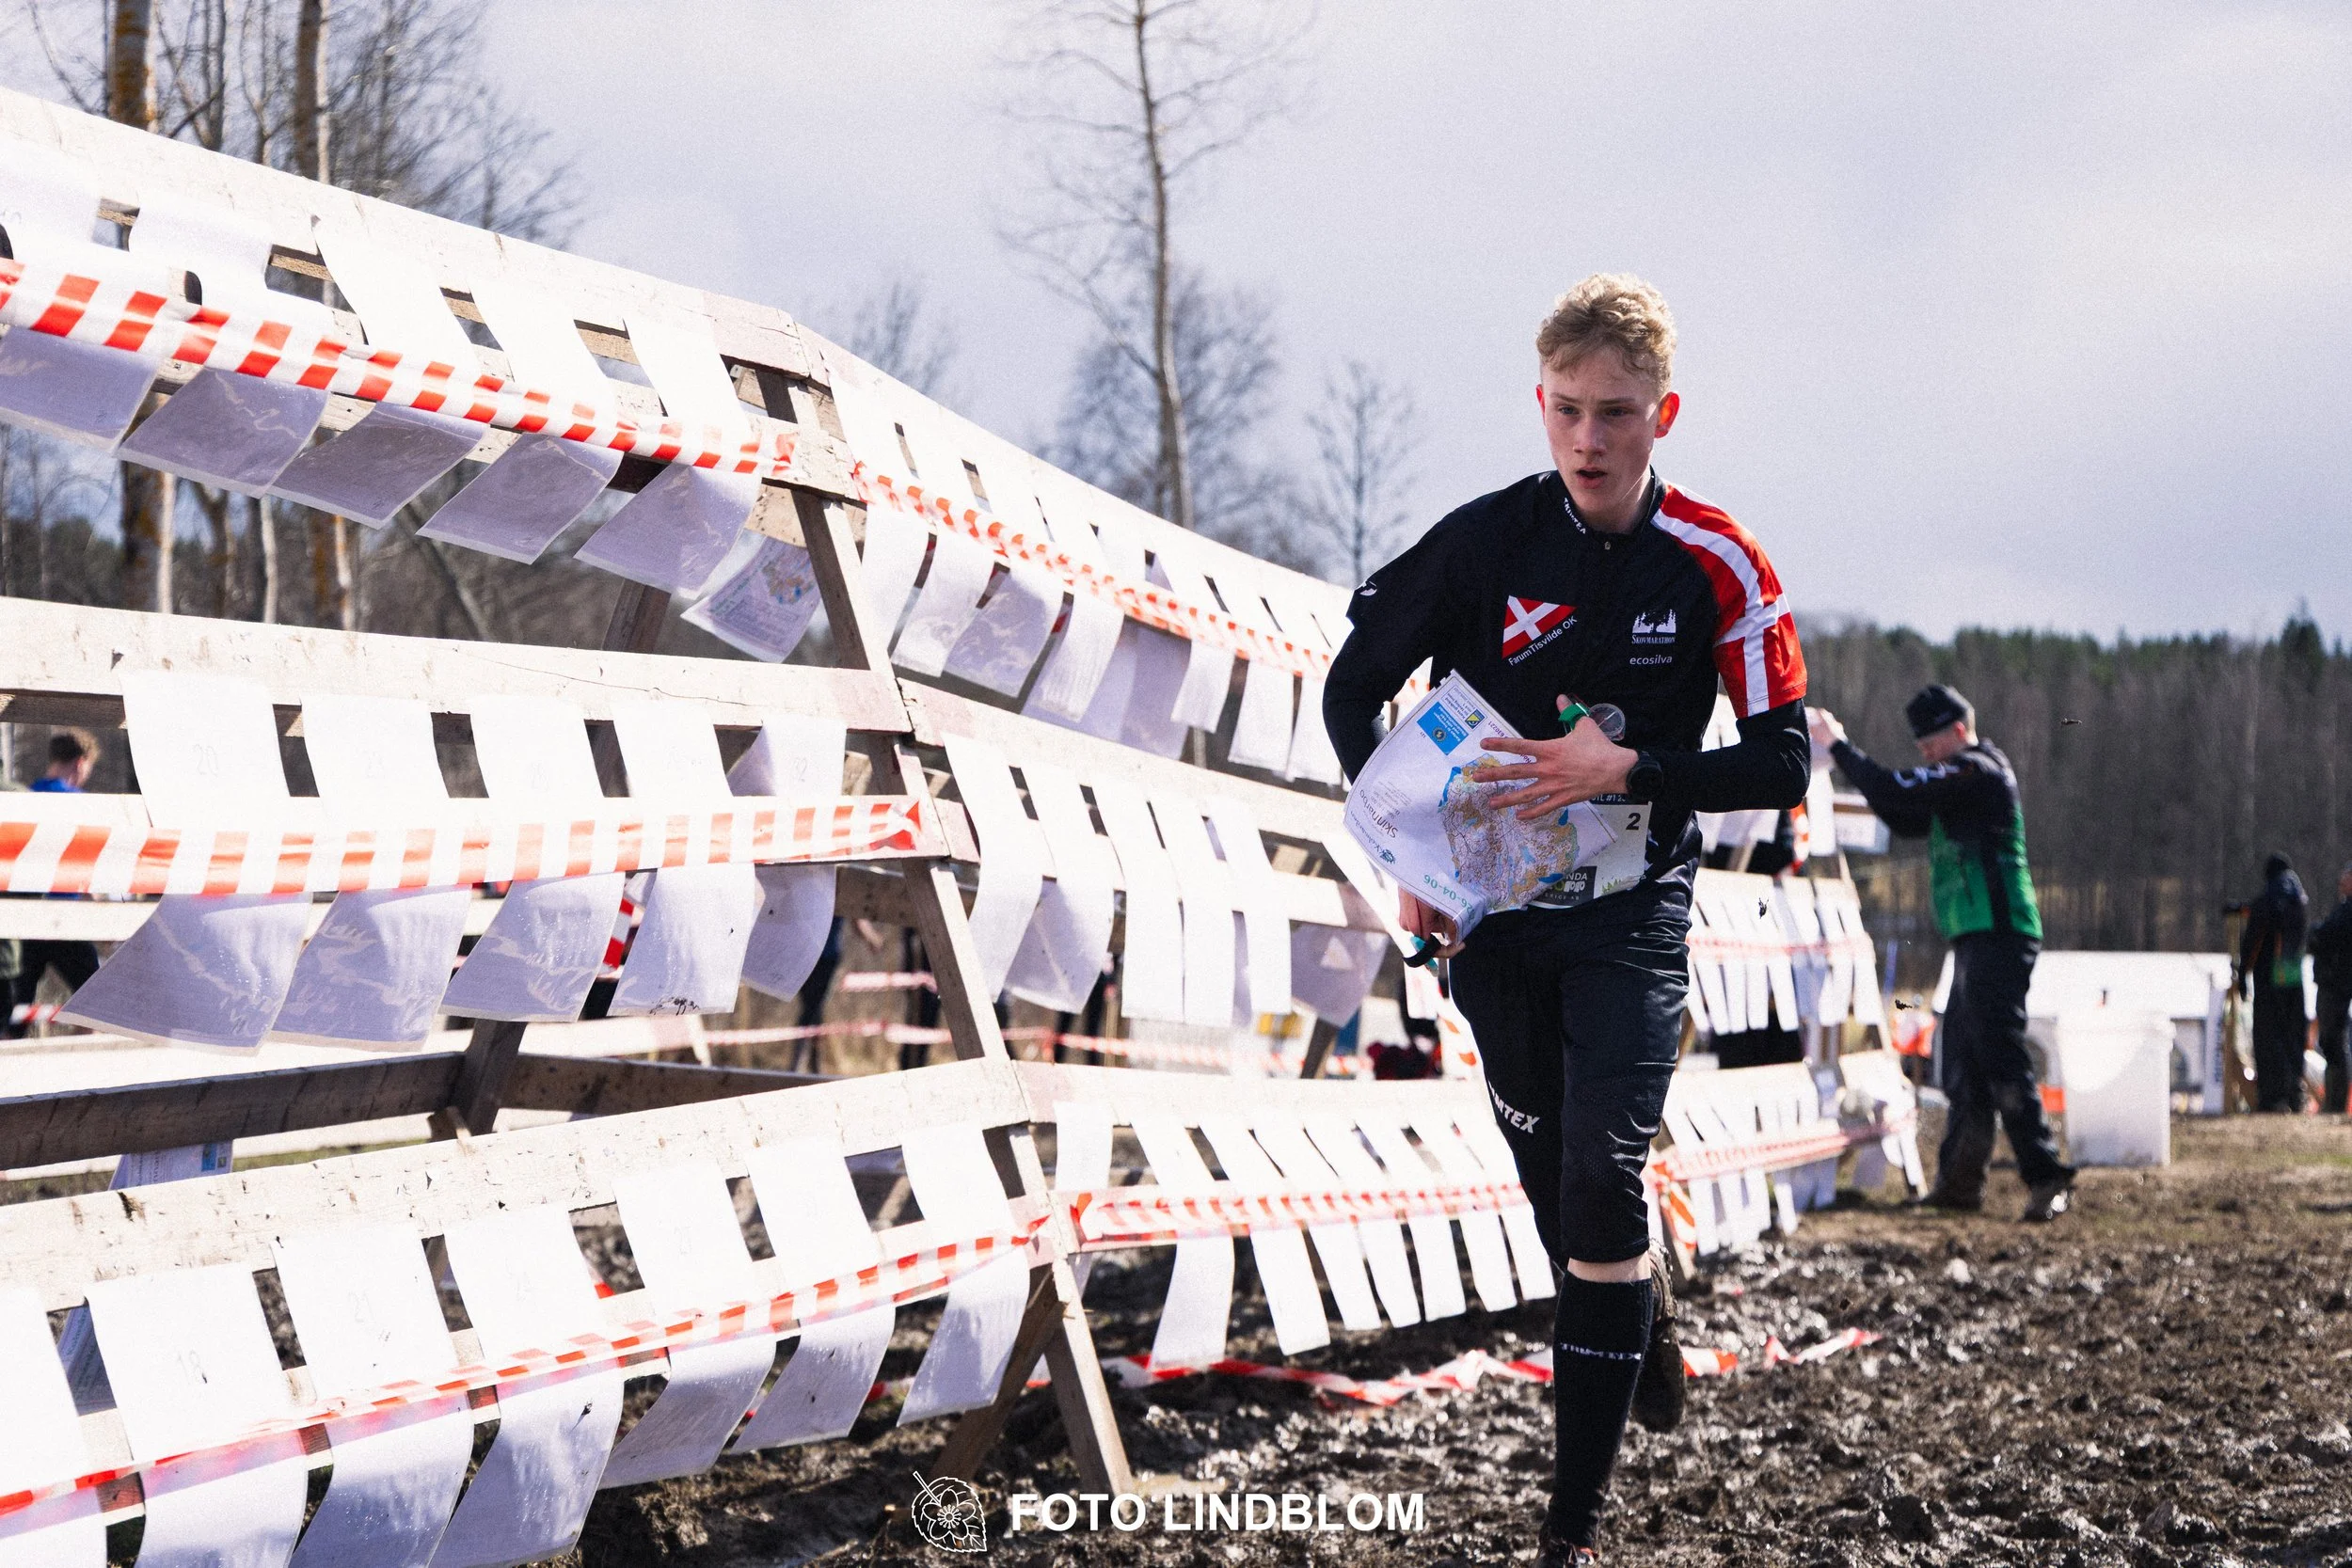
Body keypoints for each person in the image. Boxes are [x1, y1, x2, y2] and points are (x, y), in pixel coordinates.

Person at [1324, 275, 1811, 1566]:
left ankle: (1568, 1527)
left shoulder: (1720, 561)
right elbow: (1354, 684)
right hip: (1494, 917)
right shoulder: (1483, 543)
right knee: (1563, 1197)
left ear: (1666, 415)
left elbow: (1780, 765)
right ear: (1540, 405)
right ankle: (1638, 1307)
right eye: (1567, 411)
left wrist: (1630, 771)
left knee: (1604, 1168)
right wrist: (1405, 849)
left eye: (1617, 414)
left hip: (1632, 909)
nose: (1589, 439)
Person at [1813, 687, 2075, 1221]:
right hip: (1976, 935)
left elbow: (1897, 789)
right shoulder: (1959, 781)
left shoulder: (1977, 770)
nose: (1925, 754)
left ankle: (2046, 1175)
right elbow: (1897, 808)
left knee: (2000, 1054)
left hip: (1999, 931)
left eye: (1931, 744)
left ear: (1959, 731)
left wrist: (1839, 748)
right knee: (1962, 1060)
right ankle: (1959, 1183)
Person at [8, 729, 104, 1037]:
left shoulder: (27, 795)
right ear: (80, 763)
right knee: (98, 1003)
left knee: (14, 1011)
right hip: (66, 918)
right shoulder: (81, 804)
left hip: (28, 916)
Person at [2237, 851, 2311, 1113]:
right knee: (2293, 1035)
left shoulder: (2267, 900)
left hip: (2270, 977)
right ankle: (2295, 1093)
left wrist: (2243, 971)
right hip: (2293, 976)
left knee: (2269, 1035)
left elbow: (2254, 940)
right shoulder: (2299, 899)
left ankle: (2272, 1097)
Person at [2307, 861, 2352, 1116]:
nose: (2341, 882)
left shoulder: (2347, 913)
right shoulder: (2343, 909)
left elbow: (2327, 937)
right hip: (2334, 983)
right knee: (2331, 1043)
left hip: (2337, 985)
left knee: (2334, 1042)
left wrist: (2317, 934)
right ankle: (2333, 1101)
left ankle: (2336, 1104)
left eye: (2346, 878)